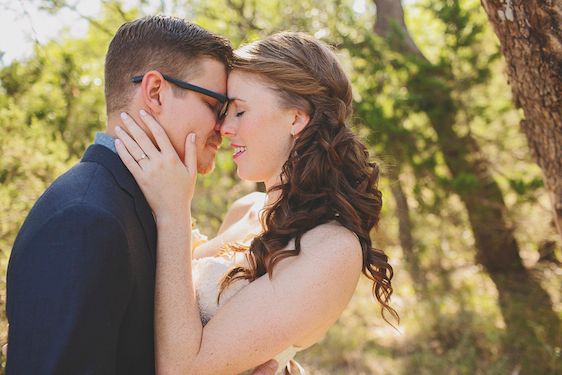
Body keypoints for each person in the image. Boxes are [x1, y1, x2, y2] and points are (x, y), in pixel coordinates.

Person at [5, 15, 277, 375]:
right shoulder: (85, 220)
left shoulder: (135, 205)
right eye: (216, 105)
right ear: (155, 92)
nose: (225, 127)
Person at [114, 31, 398, 375]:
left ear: (295, 118)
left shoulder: (332, 248)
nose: (222, 127)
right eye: (223, 111)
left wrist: (175, 211)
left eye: (239, 111)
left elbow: (182, 369)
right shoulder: (244, 209)